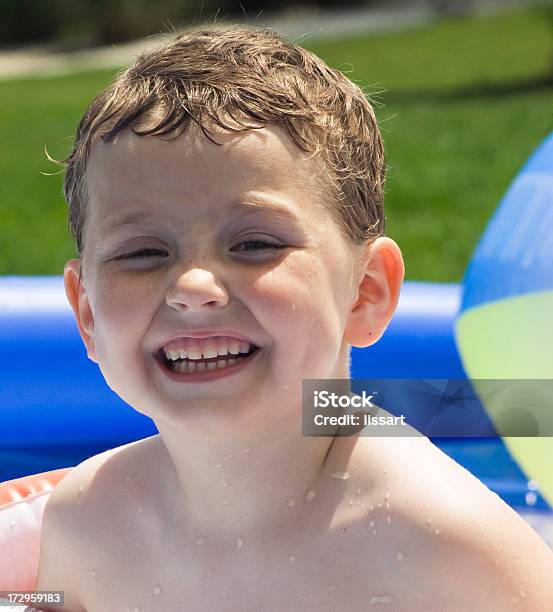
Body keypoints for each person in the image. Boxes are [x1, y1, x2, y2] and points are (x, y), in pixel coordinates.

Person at [36, 24, 553, 611]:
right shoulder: (85, 522)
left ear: (367, 292)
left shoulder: (446, 547)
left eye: (254, 244)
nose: (194, 286)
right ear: (87, 314)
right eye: (142, 253)